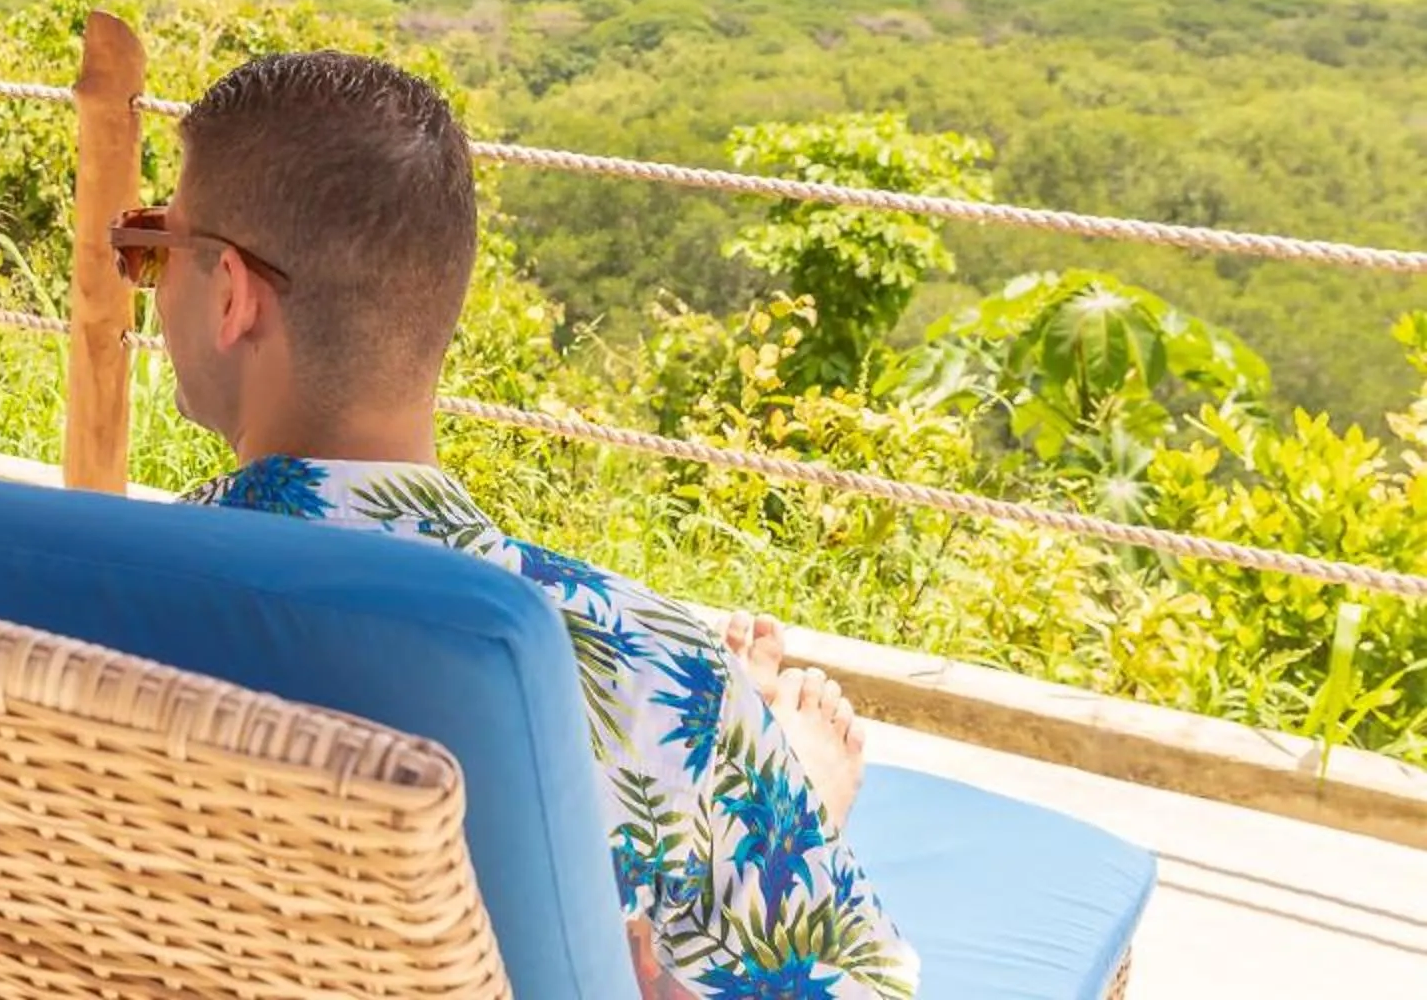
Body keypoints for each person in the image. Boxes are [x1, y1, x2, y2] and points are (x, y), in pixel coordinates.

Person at [114, 50, 917, 1000]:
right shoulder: (640, 658)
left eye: (154, 247)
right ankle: (778, 797)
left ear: (230, 296)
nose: (149, 278)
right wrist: (769, 770)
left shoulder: (102, 608)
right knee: (701, 776)